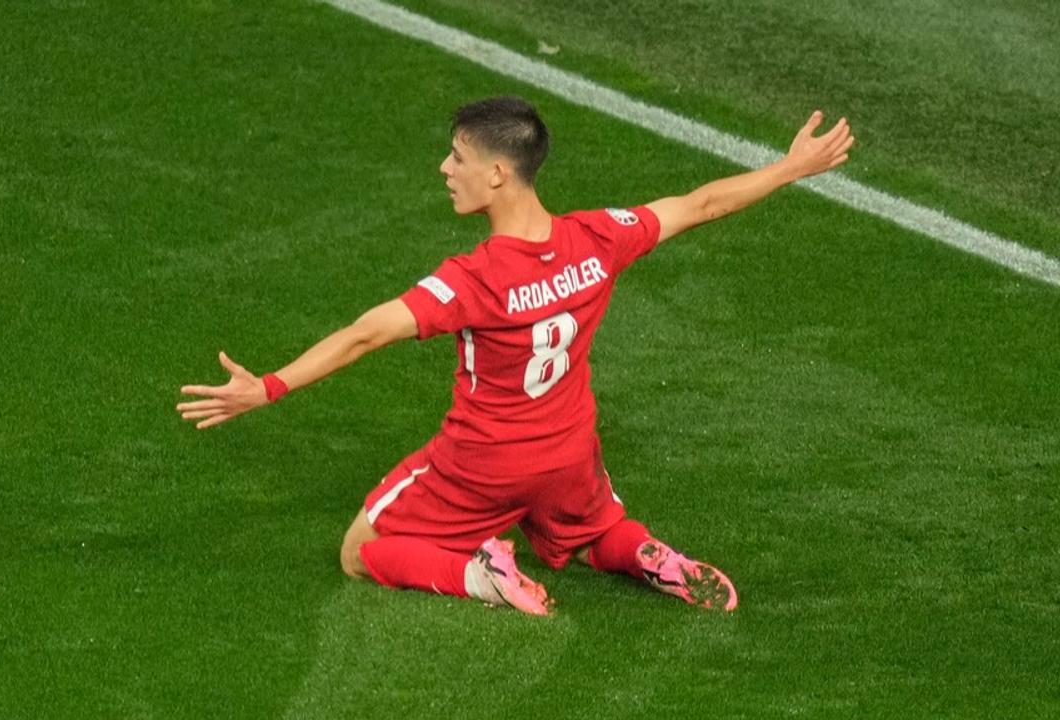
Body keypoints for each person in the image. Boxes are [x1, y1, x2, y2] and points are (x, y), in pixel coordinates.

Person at [177, 97, 853, 615]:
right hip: (569, 453)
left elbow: (364, 333)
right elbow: (701, 204)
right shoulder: (597, 237)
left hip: (485, 464)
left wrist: (267, 386)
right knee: (591, 534)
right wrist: (794, 166)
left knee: (360, 552)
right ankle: (647, 553)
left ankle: (480, 574)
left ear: (497, 173)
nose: (445, 170)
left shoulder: (475, 278)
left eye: (458, 159)